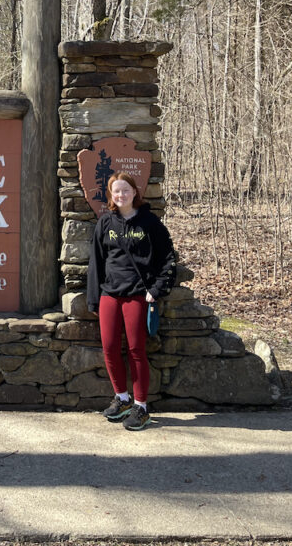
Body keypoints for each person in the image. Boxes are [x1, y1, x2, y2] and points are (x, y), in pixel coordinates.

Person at [86, 172, 176, 431]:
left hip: (138, 294)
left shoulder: (150, 223)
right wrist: (94, 300)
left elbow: (169, 259)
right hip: (109, 295)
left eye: (125, 190)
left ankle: (141, 406)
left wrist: (156, 290)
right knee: (110, 348)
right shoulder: (105, 223)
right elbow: (96, 263)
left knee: (137, 351)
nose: (121, 195)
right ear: (111, 195)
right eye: (116, 191)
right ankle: (122, 398)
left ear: (135, 192)